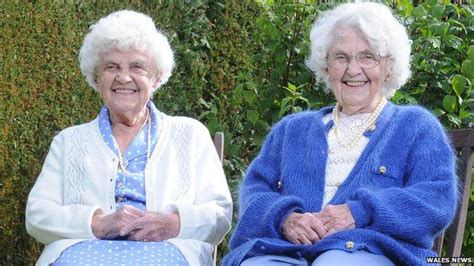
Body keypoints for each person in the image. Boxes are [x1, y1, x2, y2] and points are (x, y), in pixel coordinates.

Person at [224, 2, 457, 266]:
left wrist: (360, 212)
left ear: (388, 66)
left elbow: (436, 199)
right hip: (287, 251)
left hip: (373, 252)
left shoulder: (415, 126)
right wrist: (284, 219)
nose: (353, 69)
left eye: (368, 56)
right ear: (326, 67)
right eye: (341, 57)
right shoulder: (291, 130)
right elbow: (254, 189)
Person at [25, 10, 232, 266]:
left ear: (156, 78)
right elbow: (37, 215)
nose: (124, 77)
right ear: (96, 78)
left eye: (137, 66)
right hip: (80, 254)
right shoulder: (69, 141)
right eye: (111, 67)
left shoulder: (190, 134)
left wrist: (172, 224)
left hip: (166, 251)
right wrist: (98, 223)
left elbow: (219, 214)